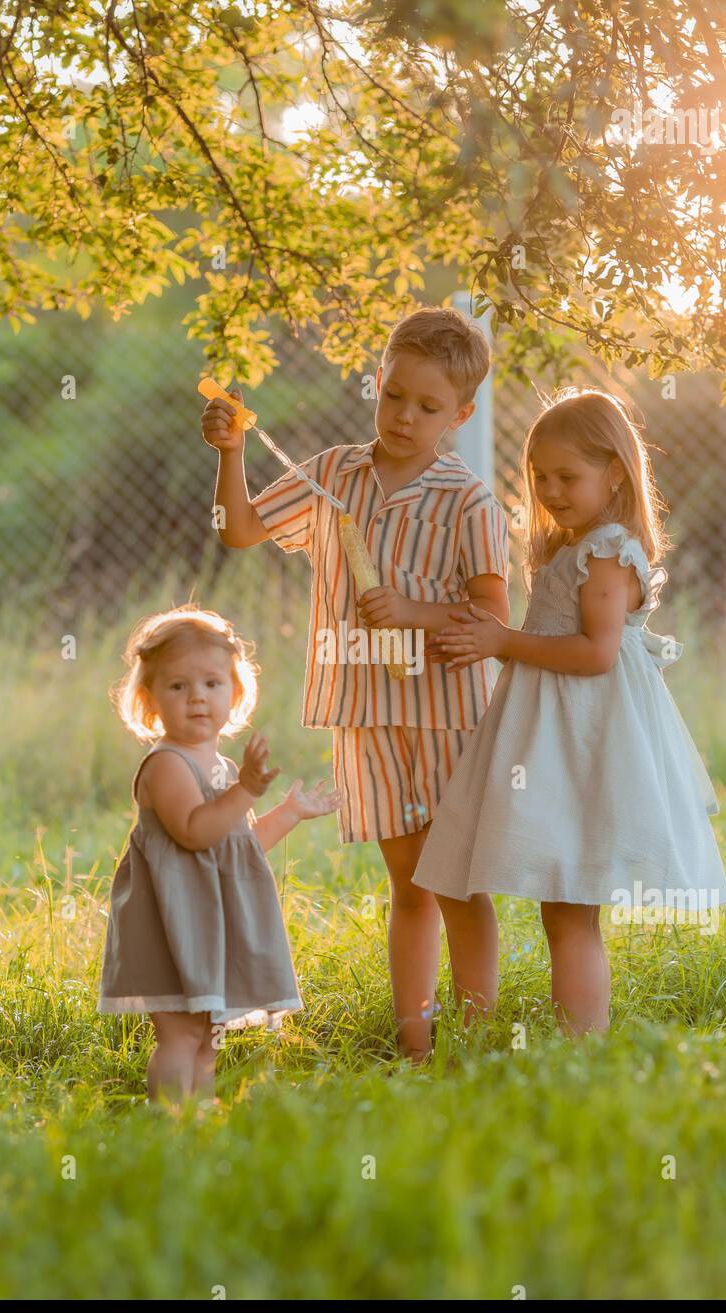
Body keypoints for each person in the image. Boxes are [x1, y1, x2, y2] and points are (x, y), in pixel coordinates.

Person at [204, 307, 511, 1063]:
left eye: (429, 407)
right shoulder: (334, 472)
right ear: (376, 382)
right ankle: (416, 1043)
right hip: (364, 715)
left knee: (460, 886)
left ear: (460, 415)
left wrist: (413, 612)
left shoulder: (467, 500)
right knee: (410, 886)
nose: (405, 416)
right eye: (394, 395)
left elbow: (493, 616)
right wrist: (232, 450)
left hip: (444, 717)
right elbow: (238, 528)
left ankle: (473, 1042)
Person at [412, 387, 726, 1037]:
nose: (552, 490)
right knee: (555, 905)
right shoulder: (569, 545)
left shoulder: (607, 550)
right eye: (540, 477)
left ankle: (581, 1049)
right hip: (549, 734)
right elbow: (548, 644)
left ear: (615, 472)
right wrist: (491, 639)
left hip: (587, 739)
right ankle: (558, 1040)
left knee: (571, 908)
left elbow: (594, 653)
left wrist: (503, 642)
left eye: (568, 476)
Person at [97, 604, 340, 1102]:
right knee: (180, 1035)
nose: (197, 699)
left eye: (211, 683)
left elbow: (239, 848)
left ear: (235, 692)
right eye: (177, 686)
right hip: (171, 925)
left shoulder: (225, 768)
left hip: (205, 926)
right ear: (149, 700)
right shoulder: (166, 765)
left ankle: (198, 1119)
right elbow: (195, 831)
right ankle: (169, 1122)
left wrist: (288, 812)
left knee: (206, 1038)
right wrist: (247, 791)